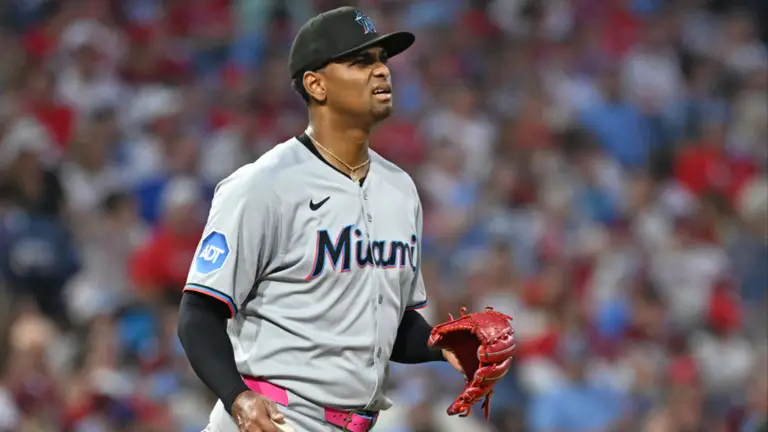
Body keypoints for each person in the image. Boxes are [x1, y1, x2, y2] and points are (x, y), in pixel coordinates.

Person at [176, 7, 462, 432]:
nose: (382, 71)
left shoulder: (400, 189)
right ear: (316, 84)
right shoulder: (263, 185)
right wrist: (237, 397)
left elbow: (386, 322)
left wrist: (444, 342)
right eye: (361, 61)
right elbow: (198, 312)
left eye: (382, 59)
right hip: (274, 418)